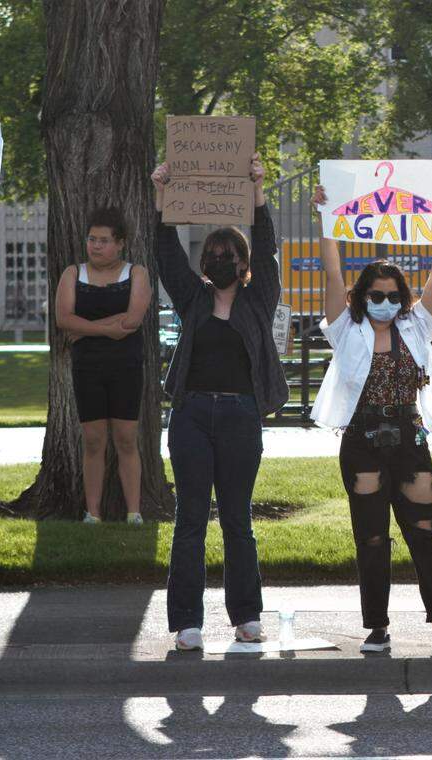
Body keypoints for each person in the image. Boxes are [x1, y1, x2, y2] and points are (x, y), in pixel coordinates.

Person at [310, 184, 432, 654]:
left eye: (391, 294)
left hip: (408, 435)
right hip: (362, 437)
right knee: (373, 536)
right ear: (362, 296)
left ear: (401, 297)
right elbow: (331, 270)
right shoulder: (346, 328)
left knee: (424, 531)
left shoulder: (416, 325)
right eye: (375, 294)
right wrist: (326, 218)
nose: (384, 300)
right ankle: (377, 627)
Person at [150, 154, 288, 651]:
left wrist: (258, 190)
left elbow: (269, 250)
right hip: (191, 416)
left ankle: (246, 615)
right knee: (190, 519)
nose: (221, 259)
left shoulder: (257, 299)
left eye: (230, 253)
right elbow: (166, 253)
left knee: (237, 519)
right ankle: (187, 621)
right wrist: (162, 192)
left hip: (240, 417)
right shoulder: (193, 298)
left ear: (244, 263)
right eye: (214, 252)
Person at [55, 207, 152, 524]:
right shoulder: (73, 274)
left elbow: (134, 319)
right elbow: (63, 319)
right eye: (91, 239)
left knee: (126, 437)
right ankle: (92, 513)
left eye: (104, 240)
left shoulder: (136, 273)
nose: (95, 246)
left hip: (126, 368)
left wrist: (83, 329)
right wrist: (109, 329)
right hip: (88, 369)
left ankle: (134, 512)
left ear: (120, 243)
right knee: (94, 440)